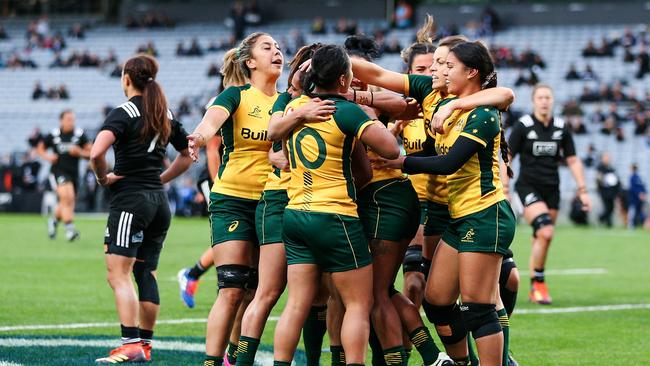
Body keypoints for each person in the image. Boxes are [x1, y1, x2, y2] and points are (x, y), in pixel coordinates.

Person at [349, 34, 514, 364]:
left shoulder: (482, 114)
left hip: (485, 214)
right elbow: (379, 77)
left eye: (446, 65)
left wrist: (402, 162)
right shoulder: (439, 98)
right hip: (457, 215)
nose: (437, 70)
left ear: (470, 73)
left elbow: (449, 162)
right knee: (437, 301)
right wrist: (335, 60)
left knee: (480, 306)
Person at [271, 44, 400, 366]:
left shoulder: (297, 107)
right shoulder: (343, 110)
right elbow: (389, 149)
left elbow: (274, 134)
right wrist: (368, 121)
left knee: (297, 303)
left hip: (296, 213)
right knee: (357, 303)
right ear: (344, 79)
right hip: (335, 216)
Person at [234, 43, 337, 366]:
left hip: (316, 205)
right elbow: (273, 139)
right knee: (270, 291)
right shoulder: (285, 102)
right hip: (281, 200)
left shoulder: (334, 102)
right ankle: (241, 361)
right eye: (304, 68)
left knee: (322, 295)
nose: (307, 73)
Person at [186, 32, 284, 366]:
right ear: (250, 61)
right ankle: (212, 362)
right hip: (233, 198)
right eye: (267, 47)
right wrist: (199, 136)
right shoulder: (236, 95)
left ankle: (232, 358)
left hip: (273, 202)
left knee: (255, 291)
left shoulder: (287, 102)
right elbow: (211, 121)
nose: (277, 52)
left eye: (279, 48)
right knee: (231, 287)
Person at [91, 54, 192, 363]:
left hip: (130, 201)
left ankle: (130, 342)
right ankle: (144, 345)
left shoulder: (123, 112)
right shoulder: (165, 112)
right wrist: (159, 178)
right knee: (145, 271)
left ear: (126, 79)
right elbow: (187, 154)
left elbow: (96, 152)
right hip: (159, 202)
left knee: (117, 274)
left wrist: (102, 178)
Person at [507, 84, 591, 305]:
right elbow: (507, 156)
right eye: (540, 97)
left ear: (552, 101)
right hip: (528, 187)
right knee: (545, 232)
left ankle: (535, 285)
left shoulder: (562, 127)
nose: (544, 101)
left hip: (552, 189)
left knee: (541, 236)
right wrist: (504, 186)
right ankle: (540, 284)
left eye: (548, 97)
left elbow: (572, 159)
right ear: (534, 100)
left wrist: (583, 190)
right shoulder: (523, 125)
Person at [37, 109, 91, 241]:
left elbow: (91, 153)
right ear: (61, 120)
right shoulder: (54, 134)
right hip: (58, 172)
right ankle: (70, 230)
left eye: (72, 119)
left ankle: (54, 221)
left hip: (74, 174)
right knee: (67, 197)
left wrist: (80, 152)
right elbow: (40, 148)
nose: (71, 122)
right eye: (68, 119)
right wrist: (48, 157)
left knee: (67, 201)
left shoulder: (79, 135)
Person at [596, 153, 620, 227]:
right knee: (607, 207)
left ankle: (604, 219)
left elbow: (616, 179)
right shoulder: (600, 167)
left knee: (611, 208)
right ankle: (607, 222)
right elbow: (599, 179)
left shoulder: (611, 168)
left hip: (612, 192)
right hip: (604, 191)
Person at [628, 164, 647, 228]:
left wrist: (639, 194)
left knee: (633, 212)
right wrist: (643, 194)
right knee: (639, 212)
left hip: (634, 198)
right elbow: (643, 187)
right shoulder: (639, 177)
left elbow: (633, 188)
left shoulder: (632, 177)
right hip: (639, 198)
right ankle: (642, 223)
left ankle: (631, 225)